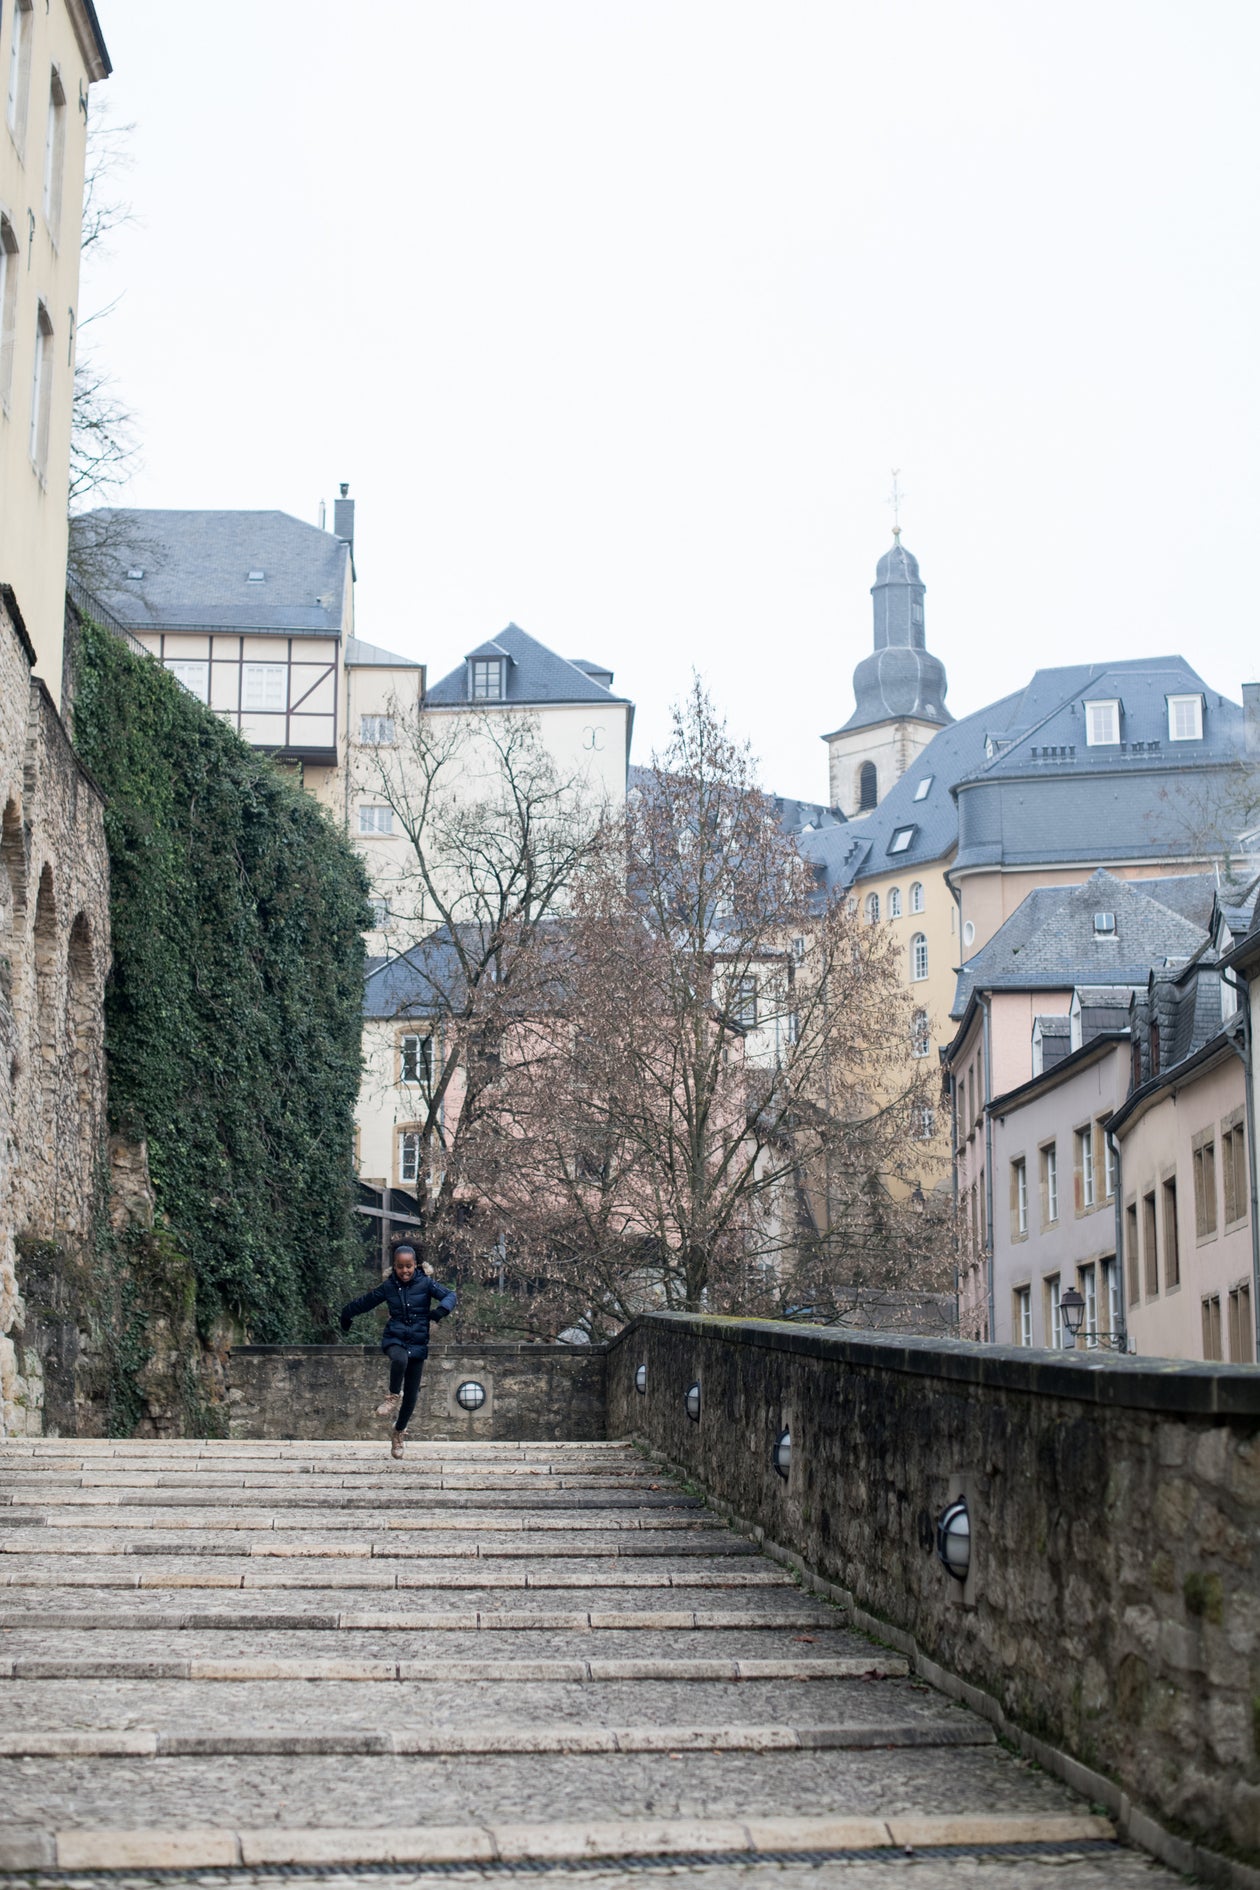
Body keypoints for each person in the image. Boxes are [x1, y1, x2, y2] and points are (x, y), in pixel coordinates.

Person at [339, 1242, 456, 1457]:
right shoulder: (389, 1286)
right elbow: (366, 1302)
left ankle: (399, 1431)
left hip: (418, 1342)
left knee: (411, 1396)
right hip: (395, 1338)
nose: (404, 1271)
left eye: (408, 1266)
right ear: (394, 1266)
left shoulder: (426, 1283)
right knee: (399, 1359)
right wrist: (347, 1314)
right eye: (400, 1267)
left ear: (416, 1265)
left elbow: (451, 1295)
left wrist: (441, 1311)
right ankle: (392, 1395)